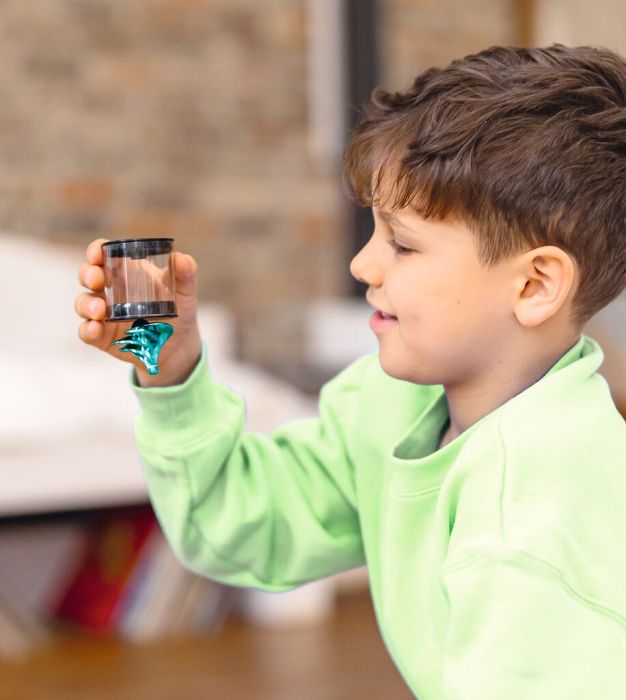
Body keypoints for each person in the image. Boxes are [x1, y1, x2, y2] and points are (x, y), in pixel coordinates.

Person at [75, 44, 626, 698]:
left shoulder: (537, 521)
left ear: (535, 285)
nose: (362, 265)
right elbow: (240, 528)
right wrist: (172, 373)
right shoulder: (387, 399)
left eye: (403, 243)